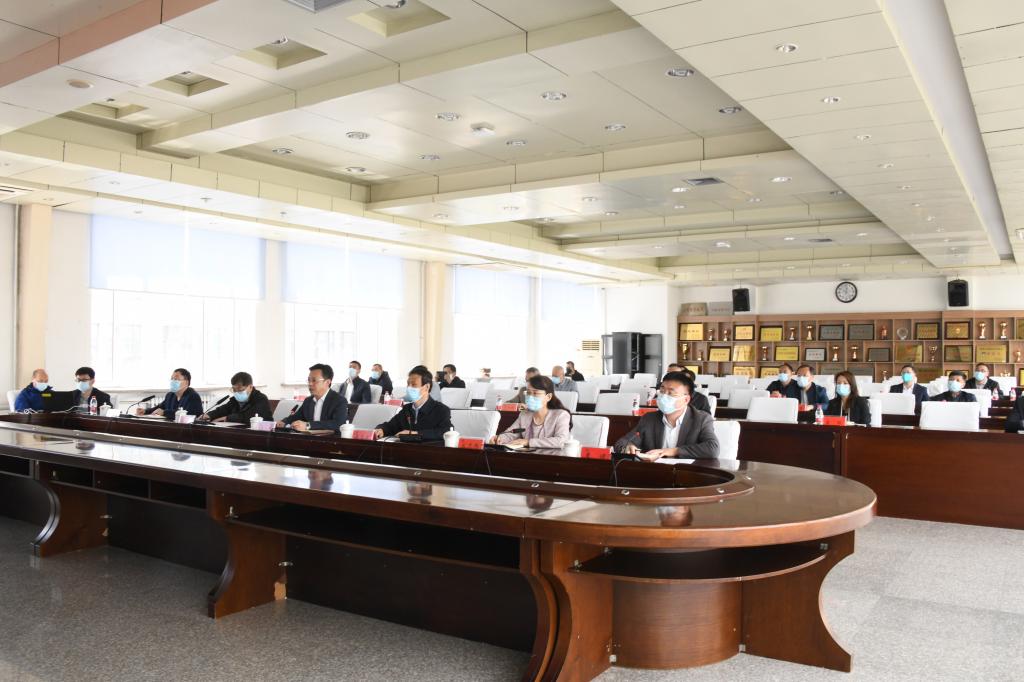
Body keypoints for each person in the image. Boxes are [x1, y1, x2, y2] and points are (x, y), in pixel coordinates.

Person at [613, 372, 719, 461]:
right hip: (655, 473)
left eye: (670, 393)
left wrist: (673, 451)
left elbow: (712, 448)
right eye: (662, 391)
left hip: (686, 474)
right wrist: (628, 447)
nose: (664, 396)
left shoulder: (701, 419)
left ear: (686, 399)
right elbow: (622, 443)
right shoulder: (649, 419)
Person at [490, 375, 571, 449]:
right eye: (528, 393)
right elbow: (512, 433)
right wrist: (500, 438)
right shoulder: (525, 414)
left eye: (535, 393)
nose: (530, 397)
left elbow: (561, 441)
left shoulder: (561, 415)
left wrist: (528, 442)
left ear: (548, 397)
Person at [373, 366, 452, 442]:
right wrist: (381, 429)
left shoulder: (441, 410)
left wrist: (416, 434)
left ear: (427, 387)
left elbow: (446, 431)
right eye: (408, 384)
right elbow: (391, 425)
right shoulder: (407, 409)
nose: (409, 388)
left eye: (414, 384)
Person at [276, 364, 346, 433]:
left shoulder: (339, 400)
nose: (310, 384)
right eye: (309, 380)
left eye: (314, 380)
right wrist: (284, 422)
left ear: (327, 382)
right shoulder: (308, 401)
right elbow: (296, 417)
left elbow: (338, 424)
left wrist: (308, 425)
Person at [198, 372, 272, 424]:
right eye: (234, 390)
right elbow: (223, 409)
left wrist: (227, 418)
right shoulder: (234, 400)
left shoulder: (261, 399)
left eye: (240, 390)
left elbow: (249, 416)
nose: (237, 392)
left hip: (262, 434)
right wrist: (209, 415)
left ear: (250, 387)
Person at [139, 368, 203, 417]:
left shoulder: (193, 396)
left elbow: (189, 414)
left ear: (186, 382)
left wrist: (165, 412)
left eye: (176, 379)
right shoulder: (170, 395)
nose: (173, 381)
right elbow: (159, 408)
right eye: (172, 379)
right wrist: (145, 411)